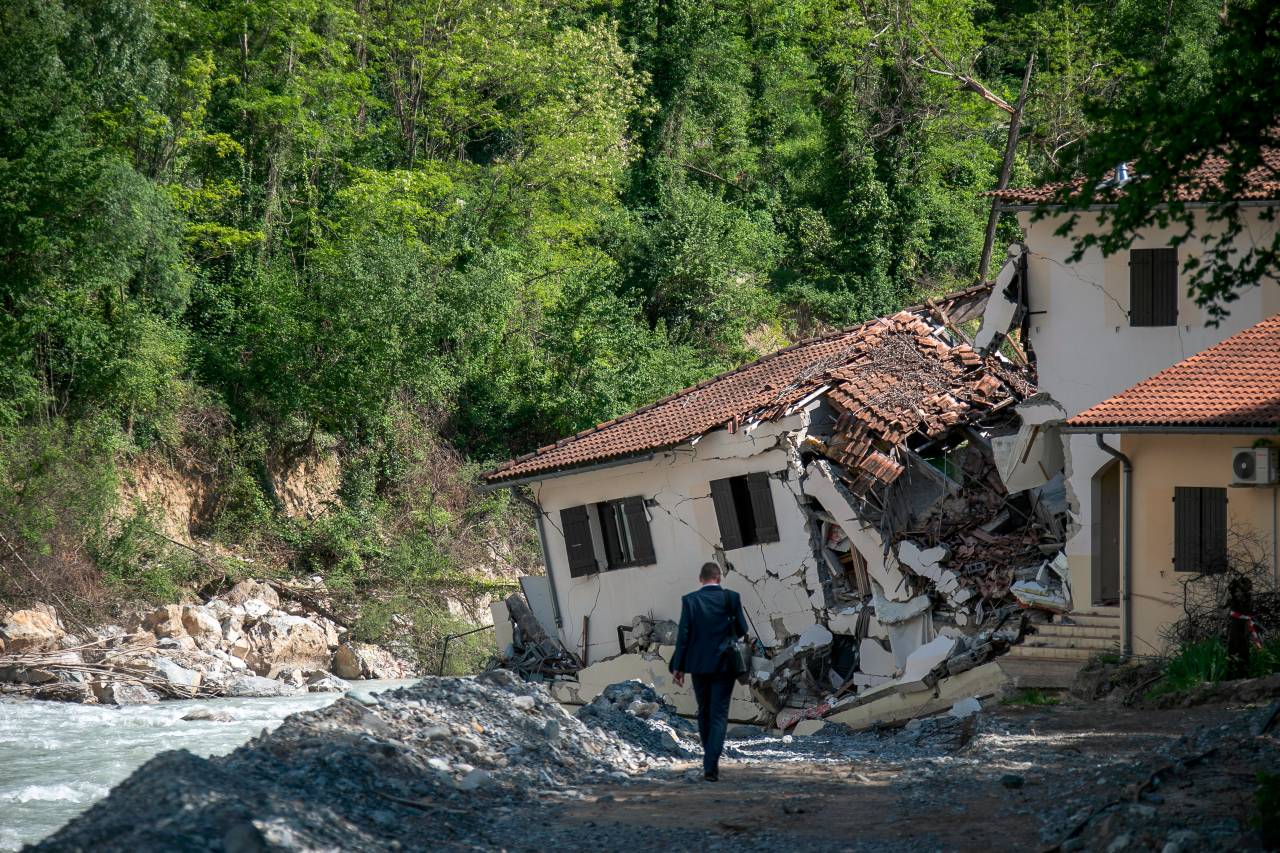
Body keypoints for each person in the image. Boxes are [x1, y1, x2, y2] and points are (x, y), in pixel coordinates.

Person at [669, 561, 749, 781]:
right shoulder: (731, 598)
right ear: (719, 578)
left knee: (703, 710)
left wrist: (678, 666)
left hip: (699, 666)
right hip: (725, 664)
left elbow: (683, 635)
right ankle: (711, 764)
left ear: (700, 579)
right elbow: (742, 628)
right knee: (719, 714)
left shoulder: (691, 601)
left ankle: (709, 758)